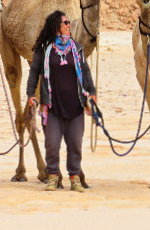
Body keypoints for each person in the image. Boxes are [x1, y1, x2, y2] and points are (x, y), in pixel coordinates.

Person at [26, 10, 96, 193]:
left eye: (68, 23)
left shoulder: (77, 49)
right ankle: (53, 178)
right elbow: (34, 72)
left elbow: (85, 71)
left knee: (75, 144)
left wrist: (92, 92)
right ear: (57, 27)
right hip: (52, 106)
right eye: (65, 23)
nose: (69, 25)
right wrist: (30, 94)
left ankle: (74, 178)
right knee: (52, 144)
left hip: (75, 105)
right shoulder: (43, 51)